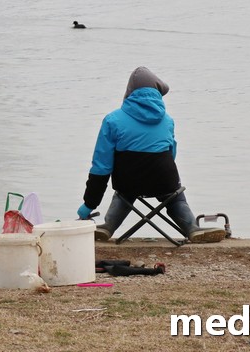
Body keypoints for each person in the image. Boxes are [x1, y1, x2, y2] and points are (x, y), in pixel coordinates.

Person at [76, 67, 225, 244]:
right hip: (164, 181)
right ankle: (192, 228)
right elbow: (171, 154)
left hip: (128, 184)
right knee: (174, 196)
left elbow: (101, 166)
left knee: (124, 192)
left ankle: (108, 227)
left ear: (129, 92)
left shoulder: (112, 120)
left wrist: (89, 204)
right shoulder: (168, 121)